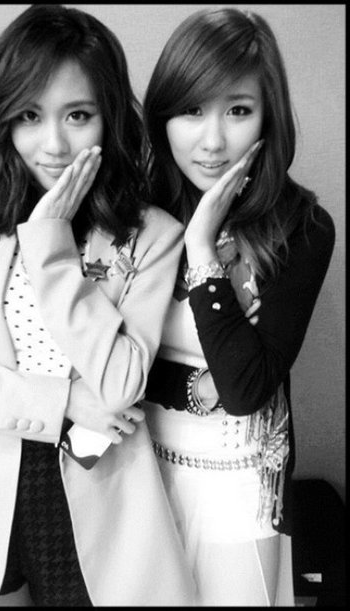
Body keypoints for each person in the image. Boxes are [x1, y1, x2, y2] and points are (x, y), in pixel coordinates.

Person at [0, 4, 195, 607]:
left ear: (108, 116)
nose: (53, 144)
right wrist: (60, 402)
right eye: (30, 115)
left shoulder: (153, 235)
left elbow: (120, 384)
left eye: (78, 115)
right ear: (4, 118)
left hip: (95, 497)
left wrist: (51, 245)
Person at [142, 7, 335, 606]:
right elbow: (105, 360)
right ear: (163, 116)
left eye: (238, 110)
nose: (213, 140)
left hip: (238, 487)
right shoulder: (136, 215)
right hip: (138, 478)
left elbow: (247, 386)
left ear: (267, 116)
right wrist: (192, 387)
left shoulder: (302, 228)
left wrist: (202, 246)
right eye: (192, 110)